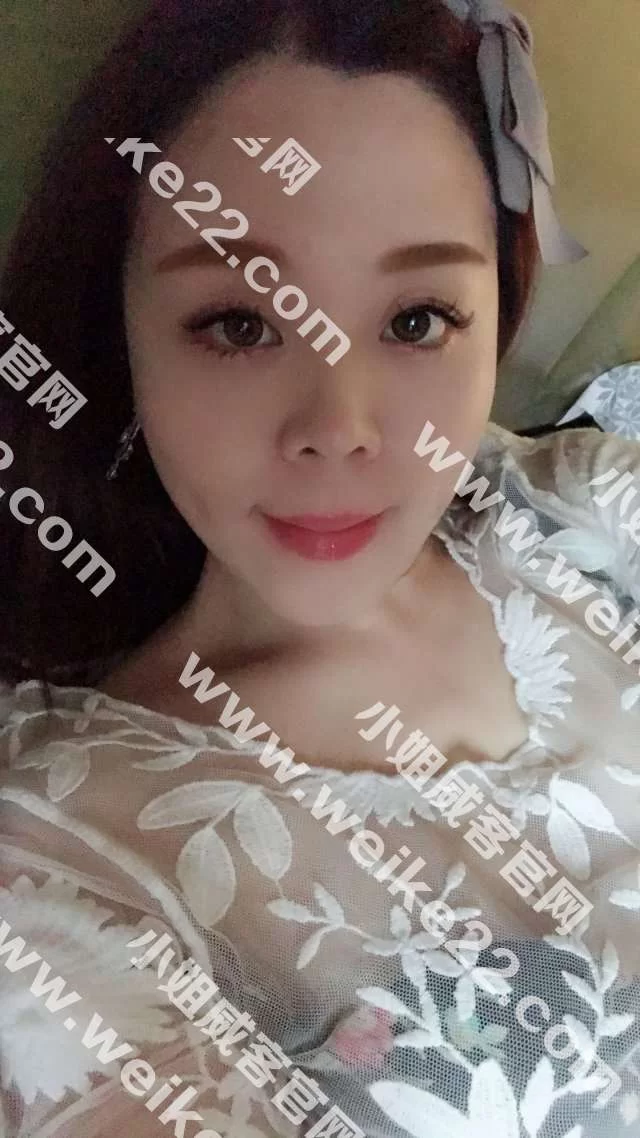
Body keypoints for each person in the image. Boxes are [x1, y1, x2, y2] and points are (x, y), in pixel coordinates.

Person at [1, 1, 639, 1135]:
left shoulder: (579, 509)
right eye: (240, 324)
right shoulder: (61, 869)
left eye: (419, 320)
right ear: (120, 331)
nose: (340, 429)